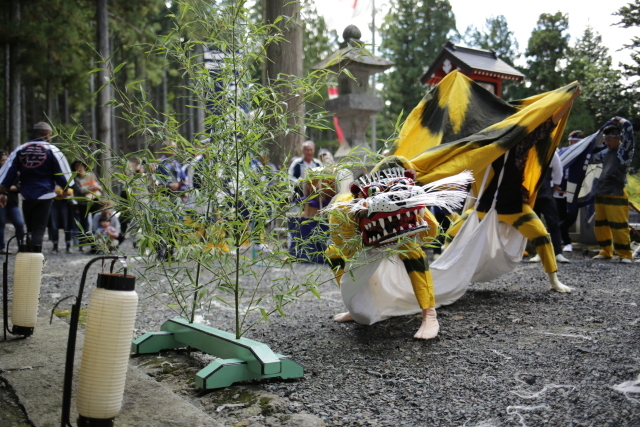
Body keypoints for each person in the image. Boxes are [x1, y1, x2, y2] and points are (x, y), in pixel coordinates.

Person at [0, 122, 71, 248]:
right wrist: (67, 187)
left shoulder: (21, 149)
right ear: (48, 133)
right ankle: (35, 259)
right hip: (45, 194)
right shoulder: (52, 149)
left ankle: (26, 254)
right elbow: (63, 174)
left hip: (27, 194)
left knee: (30, 227)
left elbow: (8, 172)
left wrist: (3, 191)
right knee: (39, 229)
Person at [591, 117, 635, 263]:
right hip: (601, 191)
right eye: (605, 139)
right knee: (601, 224)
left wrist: (618, 120)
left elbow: (629, 129)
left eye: (609, 140)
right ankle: (606, 251)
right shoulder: (604, 152)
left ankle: (625, 254)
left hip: (615, 192)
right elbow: (591, 150)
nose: (606, 143)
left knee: (619, 225)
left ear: (618, 139)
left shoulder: (624, 151)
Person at [528, 151, 571, 264]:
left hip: (546, 193)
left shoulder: (551, 152)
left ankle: (558, 253)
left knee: (553, 223)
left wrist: (551, 191)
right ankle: (538, 252)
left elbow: (558, 174)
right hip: (530, 194)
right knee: (534, 225)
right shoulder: (528, 150)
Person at [556, 130, 585, 252]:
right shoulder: (563, 152)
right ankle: (566, 242)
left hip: (575, 189)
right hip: (561, 188)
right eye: (570, 141)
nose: (571, 143)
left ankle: (557, 231)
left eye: (574, 141)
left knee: (571, 216)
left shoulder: (583, 155)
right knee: (561, 215)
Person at [71, 159, 103, 250]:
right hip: (83, 203)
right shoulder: (75, 179)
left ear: (84, 166)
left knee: (96, 221)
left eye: (80, 165)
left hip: (95, 201)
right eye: (76, 166)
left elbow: (99, 187)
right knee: (83, 223)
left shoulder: (91, 175)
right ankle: (82, 244)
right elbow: (79, 191)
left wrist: (96, 187)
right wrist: (90, 188)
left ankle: (95, 243)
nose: (79, 168)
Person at [0, 151, 25, 254]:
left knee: (19, 223)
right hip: (1, 204)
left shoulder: (13, 172)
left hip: (13, 203)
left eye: (6, 160)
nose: (5, 162)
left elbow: (20, 187)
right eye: (2, 160)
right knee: (1, 225)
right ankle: (1, 247)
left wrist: (5, 187)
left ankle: (21, 246)